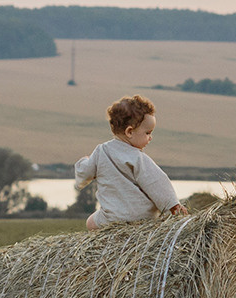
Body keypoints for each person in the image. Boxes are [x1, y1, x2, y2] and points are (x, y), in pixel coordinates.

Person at [75, 94, 185, 230]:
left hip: (112, 218)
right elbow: (156, 181)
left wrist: (84, 162)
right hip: (141, 218)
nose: (150, 138)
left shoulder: (100, 151)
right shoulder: (139, 158)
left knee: (90, 223)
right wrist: (172, 204)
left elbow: (85, 172)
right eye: (148, 133)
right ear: (129, 132)